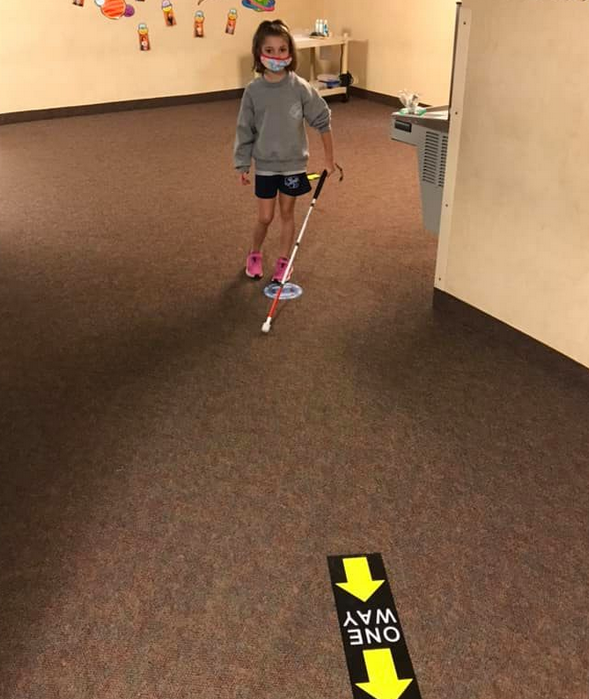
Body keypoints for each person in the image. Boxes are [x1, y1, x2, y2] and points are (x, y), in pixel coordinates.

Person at [234, 19, 335, 282]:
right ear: (259, 52)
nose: (276, 55)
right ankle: (254, 253)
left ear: (290, 52)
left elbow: (323, 119)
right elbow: (245, 129)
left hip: (293, 164)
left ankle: (283, 262)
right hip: (266, 165)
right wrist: (242, 163)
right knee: (265, 217)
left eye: (282, 49)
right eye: (270, 50)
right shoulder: (253, 91)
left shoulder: (300, 87)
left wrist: (329, 159)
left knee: (287, 214)